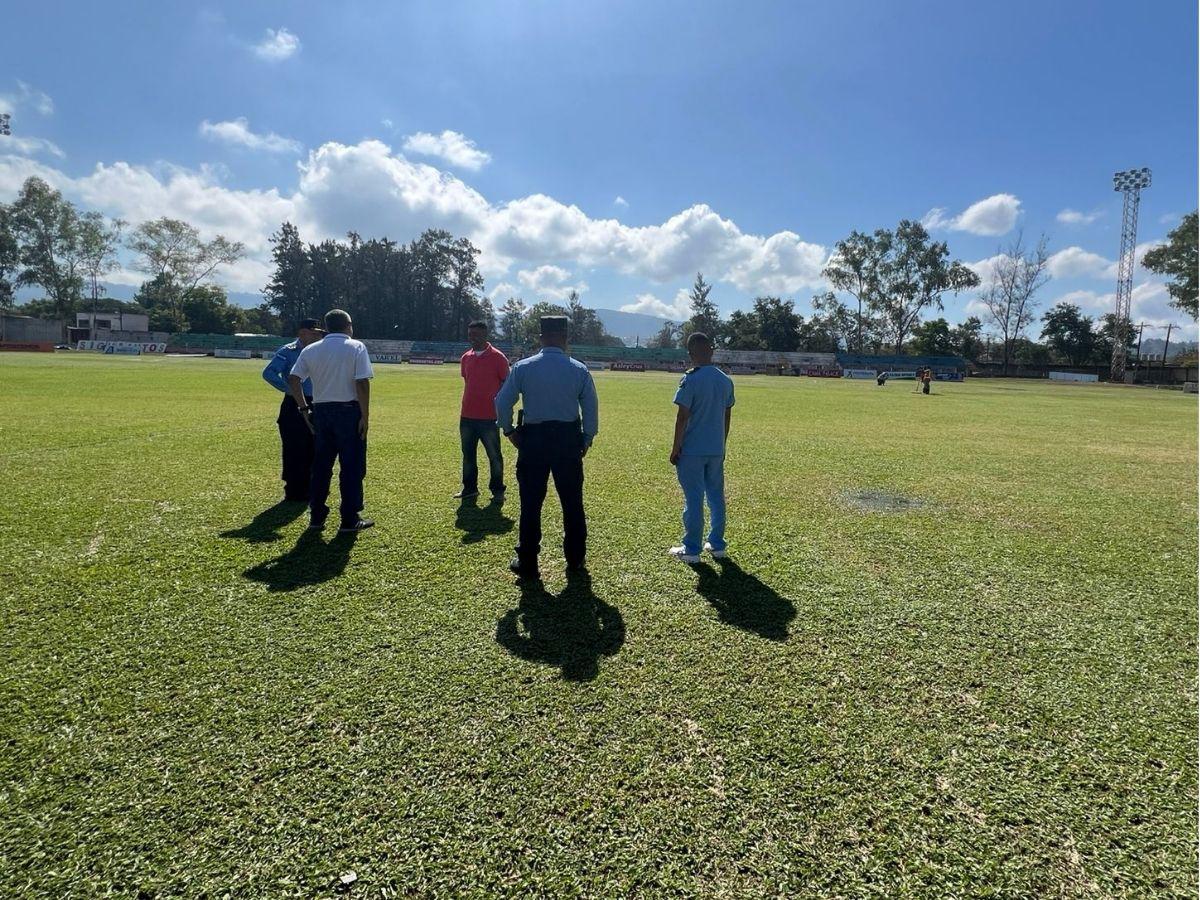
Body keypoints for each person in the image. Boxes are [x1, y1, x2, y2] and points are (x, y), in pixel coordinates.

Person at [495, 315, 598, 579]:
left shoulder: (523, 367)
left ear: (541, 337)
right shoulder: (579, 369)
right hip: (567, 439)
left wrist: (509, 431)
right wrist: (586, 438)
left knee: (530, 503)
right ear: (565, 338)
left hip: (534, 440)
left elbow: (502, 402)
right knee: (572, 502)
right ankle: (575, 558)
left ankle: (528, 562)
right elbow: (590, 408)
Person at [287, 309, 375, 534]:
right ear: (348, 325)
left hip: (321, 411)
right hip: (348, 411)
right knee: (352, 467)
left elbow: (293, 379)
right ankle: (349, 518)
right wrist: (365, 417)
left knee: (321, 467)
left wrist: (304, 408)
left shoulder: (311, 349)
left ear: (327, 327)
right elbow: (362, 383)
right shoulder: (356, 347)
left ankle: (317, 516)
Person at [668, 332, 735, 564]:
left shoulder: (691, 379)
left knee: (694, 498)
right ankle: (716, 544)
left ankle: (691, 549)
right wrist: (722, 444)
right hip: (715, 448)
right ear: (711, 351)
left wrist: (675, 447)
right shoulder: (725, 380)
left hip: (693, 449)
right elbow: (727, 416)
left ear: (690, 354)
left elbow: (682, 416)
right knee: (716, 496)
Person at [262, 318, 324, 501]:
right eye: (314, 333)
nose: (318, 336)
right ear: (303, 333)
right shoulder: (288, 351)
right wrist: (290, 390)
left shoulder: (320, 350)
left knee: (315, 446)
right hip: (294, 403)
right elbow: (269, 373)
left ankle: (312, 486)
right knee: (294, 447)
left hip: (317, 401)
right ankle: (294, 489)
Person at [456, 320, 510, 502]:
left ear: (485, 335)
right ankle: (469, 488)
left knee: (494, 456)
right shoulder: (466, 358)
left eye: (477, 334)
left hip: (489, 417)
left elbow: (506, 384)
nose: (473, 338)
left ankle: (498, 490)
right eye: (470, 334)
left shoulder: (498, 358)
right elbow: (467, 381)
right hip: (467, 416)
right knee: (468, 455)